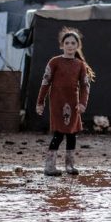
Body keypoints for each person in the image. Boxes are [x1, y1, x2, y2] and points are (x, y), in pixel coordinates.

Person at [36, 28, 94, 176]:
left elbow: (85, 86)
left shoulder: (80, 65)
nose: (70, 45)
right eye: (67, 43)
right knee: (59, 134)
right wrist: (40, 102)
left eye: (73, 43)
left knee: (72, 134)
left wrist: (82, 103)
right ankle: (49, 167)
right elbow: (45, 83)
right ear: (62, 45)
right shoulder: (54, 62)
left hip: (73, 104)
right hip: (57, 102)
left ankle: (70, 166)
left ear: (77, 46)